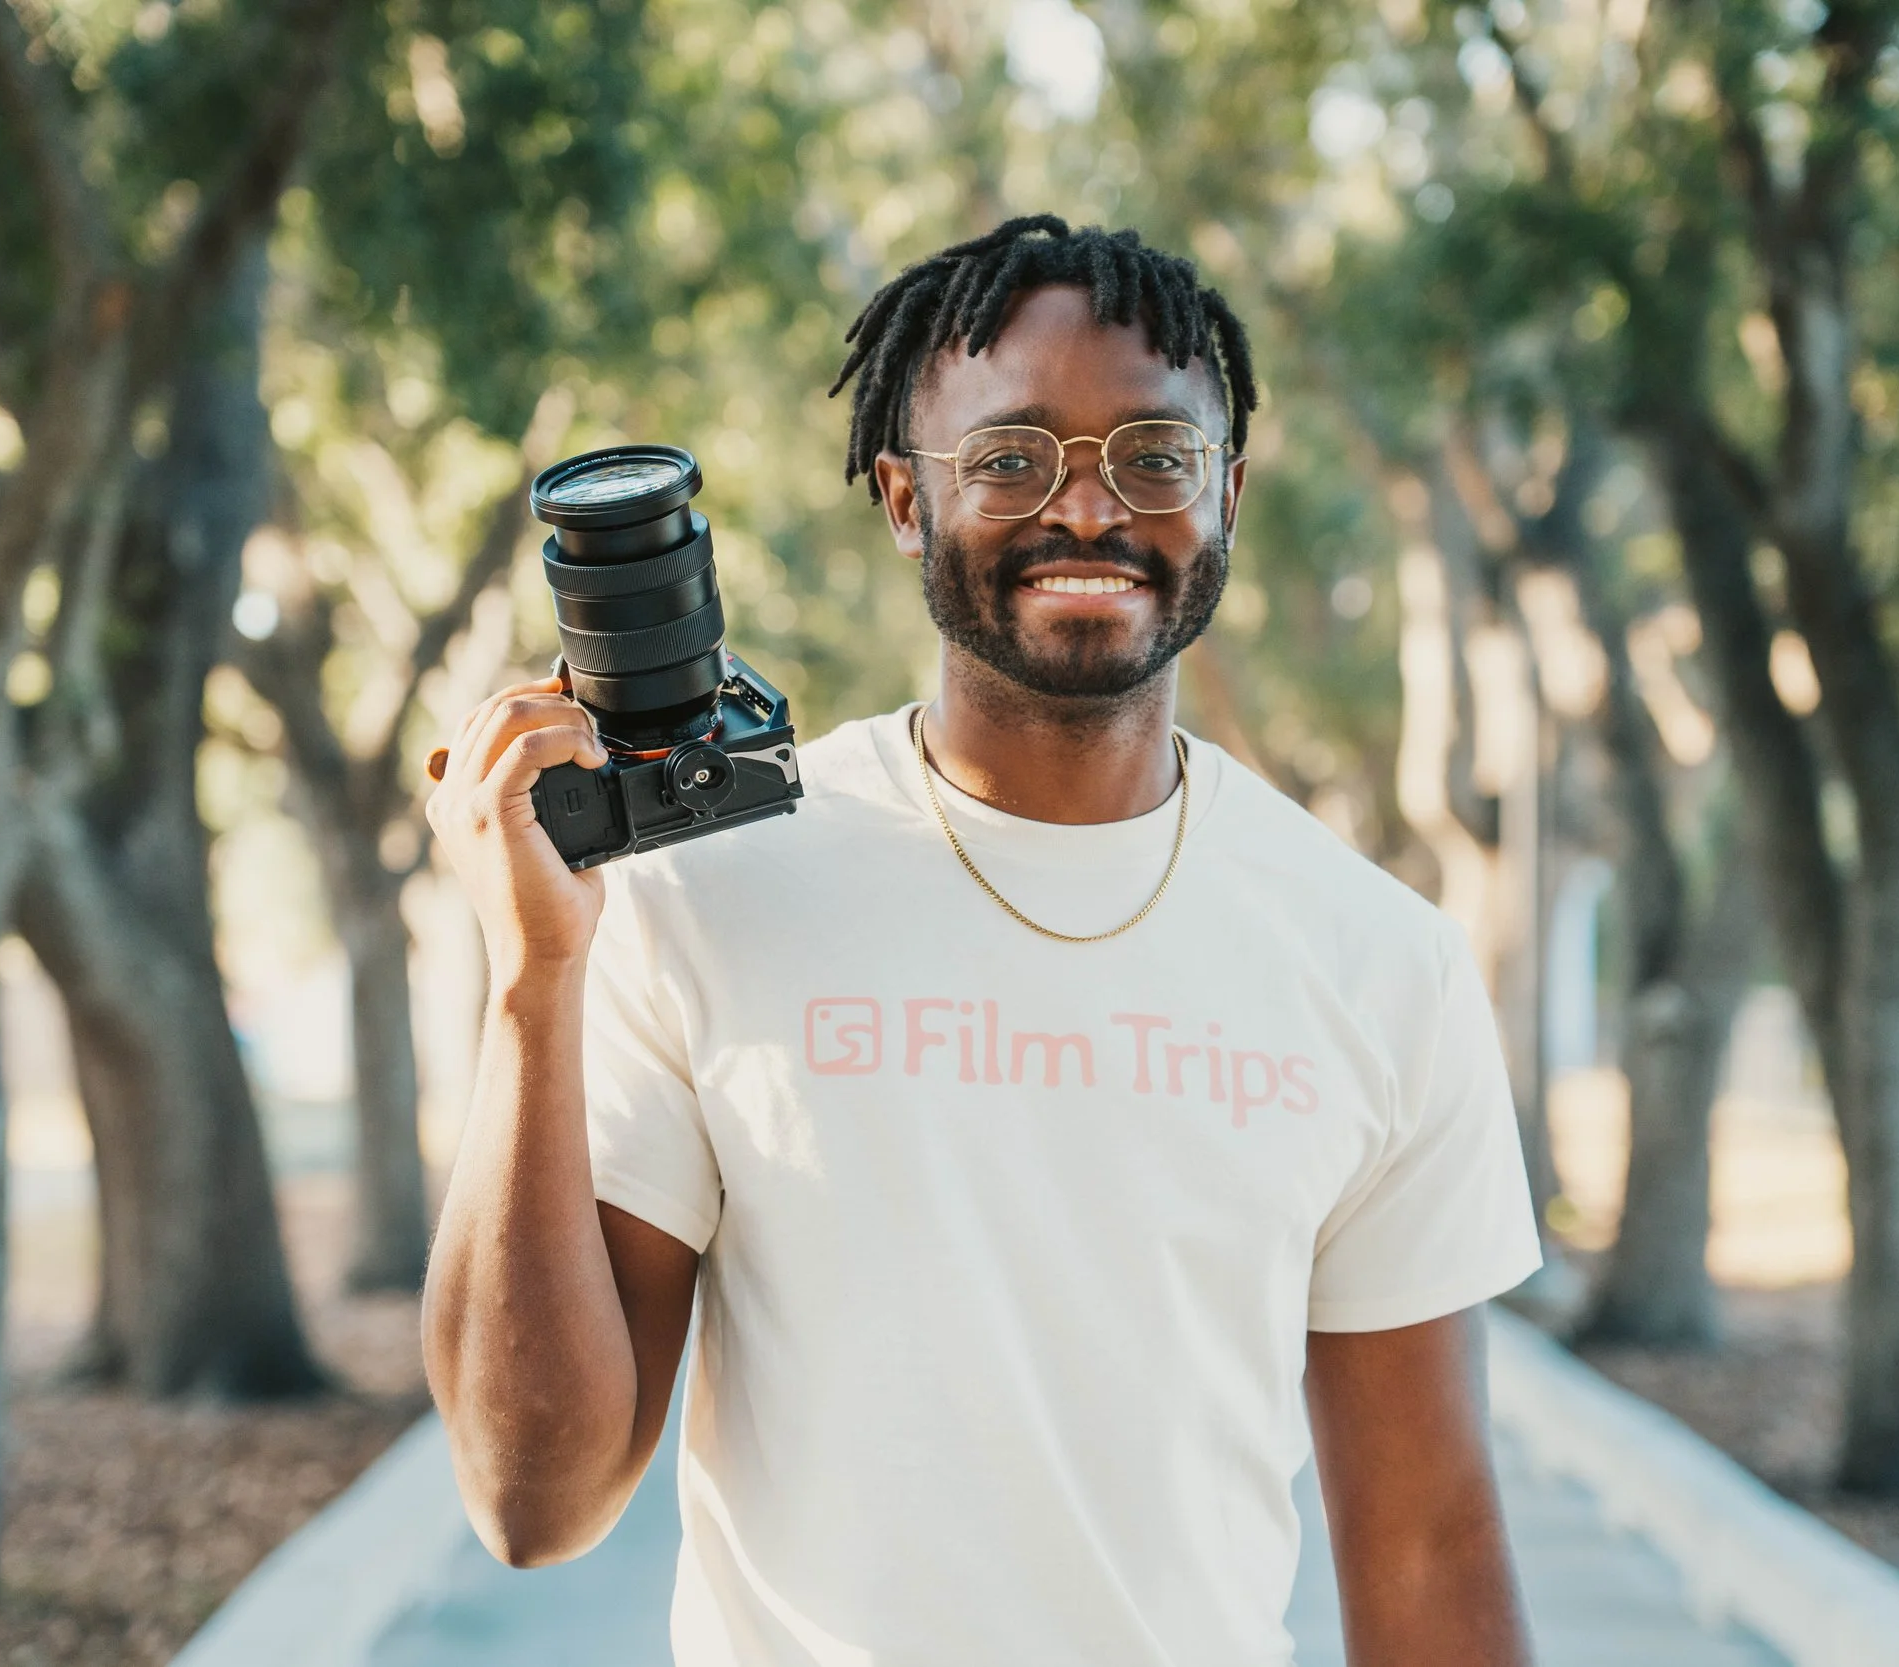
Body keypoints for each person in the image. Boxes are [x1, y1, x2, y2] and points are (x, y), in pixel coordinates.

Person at [422, 216, 1542, 1666]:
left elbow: (1429, 1542)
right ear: (903, 496)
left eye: (1155, 454)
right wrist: (534, 978)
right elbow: (533, 1497)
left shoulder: (1380, 961)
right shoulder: (710, 893)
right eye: (1011, 459)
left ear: (1229, 492)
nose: (1088, 509)